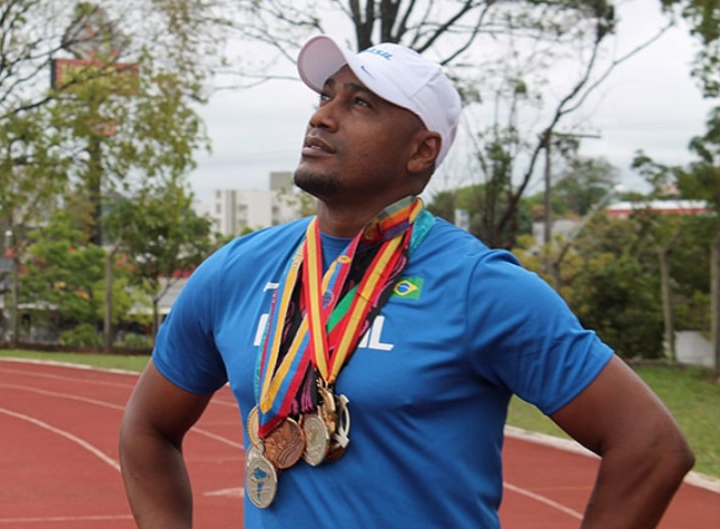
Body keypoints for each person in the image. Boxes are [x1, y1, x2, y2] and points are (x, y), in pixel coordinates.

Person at [119, 35, 694, 529]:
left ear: (422, 151)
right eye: (326, 96)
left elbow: (651, 447)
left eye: (360, 102)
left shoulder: (480, 288)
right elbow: (148, 426)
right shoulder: (237, 270)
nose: (323, 116)